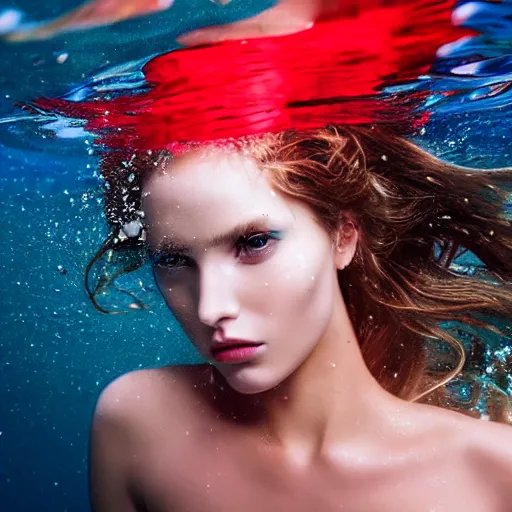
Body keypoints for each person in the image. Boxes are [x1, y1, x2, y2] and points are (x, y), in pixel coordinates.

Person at [27, 1, 511, 510]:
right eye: (172, 260)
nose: (212, 307)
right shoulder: (138, 424)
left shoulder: (490, 474)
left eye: (253, 244)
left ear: (344, 234)